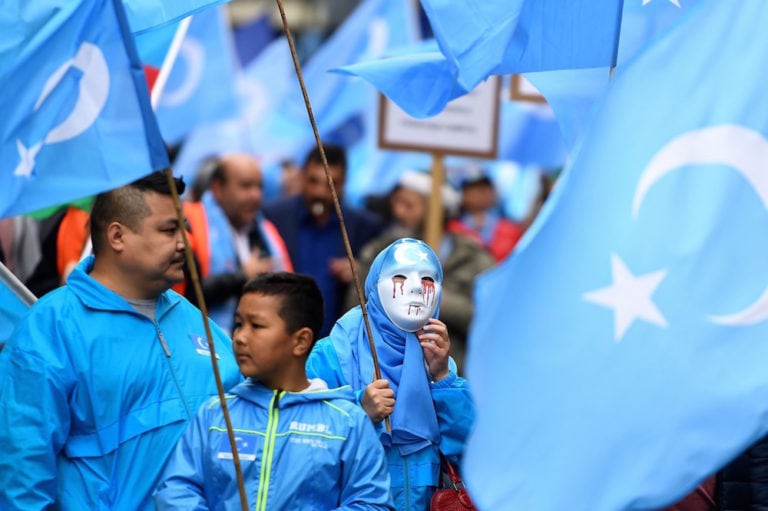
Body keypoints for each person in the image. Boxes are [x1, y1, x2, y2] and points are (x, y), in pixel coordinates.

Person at [0, 171, 242, 510]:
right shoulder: (53, 325)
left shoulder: (193, 318)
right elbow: (22, 472)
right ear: (117, 236)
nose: (185, 243)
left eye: (184, 229)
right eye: (170, 229)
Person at [154, 272, 394, 510]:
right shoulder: (215, 414)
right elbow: (176, 490)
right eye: (238, 324)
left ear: (301, 341)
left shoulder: (346, 423)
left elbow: (372, 503)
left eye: (256, 326)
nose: (239, 337)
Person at [307, 238, 475, 510]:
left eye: (428, 280)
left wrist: (444, 378)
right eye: (399, 276)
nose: (415, 289)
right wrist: (360, 413)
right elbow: (306, 444)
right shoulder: (332, 355)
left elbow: (469, 451)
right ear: (374, 284)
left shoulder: (435, 357)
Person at [349, 170, 495, 372]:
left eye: (409, 205)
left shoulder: (473, 258)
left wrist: (430, 297)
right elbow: (356, 306)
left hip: (450, 374)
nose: (399, 212)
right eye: (396, 203)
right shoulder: (382, 251)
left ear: (436, 210)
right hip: (387, 375)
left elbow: (487, 317)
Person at [264, 144, 382, 336]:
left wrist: (359, 274)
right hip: (282, 338)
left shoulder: (364, 227)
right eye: (313, 181)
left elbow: (379, 282)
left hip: (337, 344)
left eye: (331, 184)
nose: (320, 192)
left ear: (343, 184)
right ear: (302, 176)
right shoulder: (275, 216)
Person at [183, 153, 292, 332]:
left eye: (259, 187)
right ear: (218, 189)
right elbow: (187, 292)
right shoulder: (189, 222)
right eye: (246, 186)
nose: (255, 195)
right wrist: (242, 277)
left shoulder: (265, 230)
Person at [447, 166, 524, 263]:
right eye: (473, 189)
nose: (479, 194)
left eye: (484, 189)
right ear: (463, 194)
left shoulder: (511, 230)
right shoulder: (452, 228)